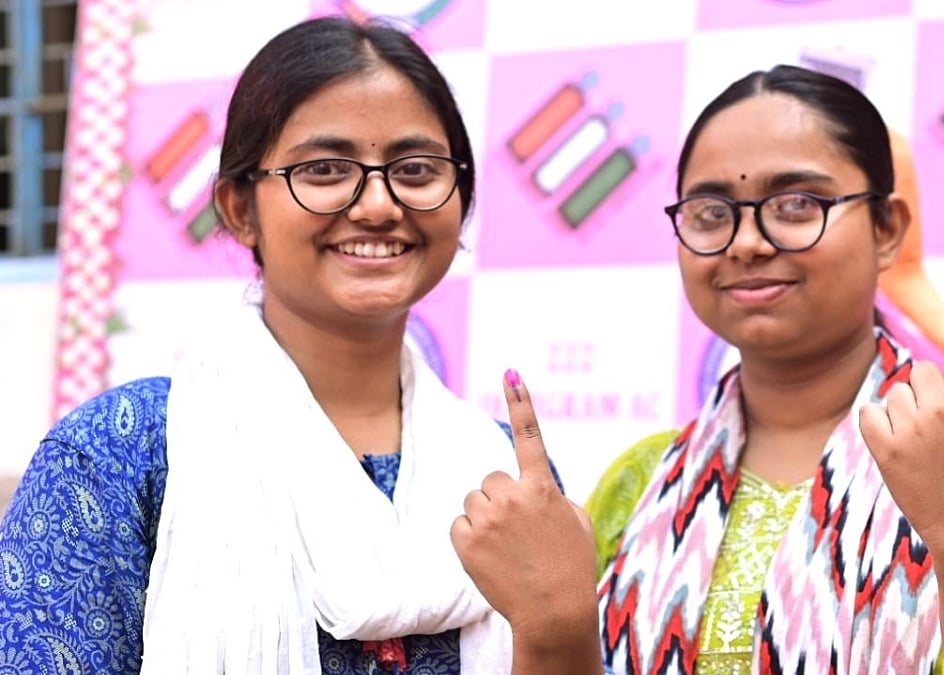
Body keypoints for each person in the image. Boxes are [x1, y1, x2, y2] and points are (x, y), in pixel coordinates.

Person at [0, 16, 600, 675]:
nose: (378, 205)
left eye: (416, 169)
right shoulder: (119, 458)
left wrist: (559, 628)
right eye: (325, 170)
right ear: (240, 209)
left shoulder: (508, 484)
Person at [585, 65, 944, 675]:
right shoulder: (639, 480)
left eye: (796, 205)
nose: (746, 242)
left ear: (887, 230)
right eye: (710, 213)